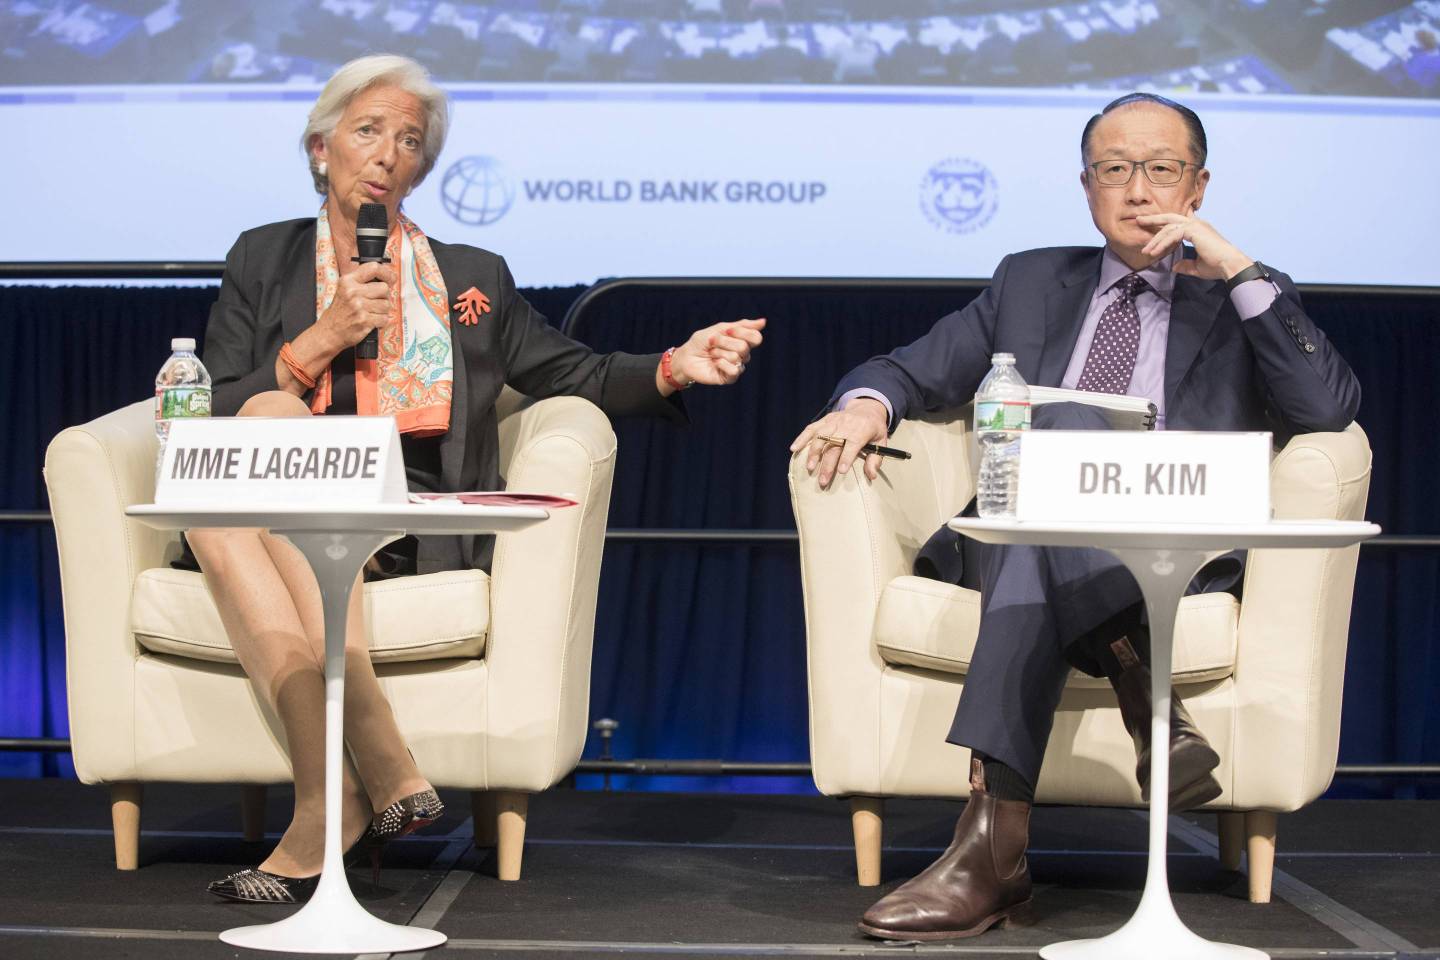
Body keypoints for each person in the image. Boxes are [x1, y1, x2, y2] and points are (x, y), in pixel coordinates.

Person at [195, 54, 765, 904]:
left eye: (411, 141)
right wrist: (324, 336)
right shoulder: (263, 257)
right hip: (280, 493)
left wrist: (676, 365)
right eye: (367, 131)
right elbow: (211, 398)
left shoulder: (471, 277)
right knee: (258, 442)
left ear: (421, 171)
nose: (388, 153)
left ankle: (332, 805)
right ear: (321, 150)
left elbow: (578, 371)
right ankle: (361, 775)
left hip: (403, 517)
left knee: (226, 509)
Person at [790, 92, 1358, 941]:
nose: (1138, 191)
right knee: (1049, 442)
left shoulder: (1246, 295)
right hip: (1025, 525)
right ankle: (1145, 696)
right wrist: (866, 406)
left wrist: (1238, 272)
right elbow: (912, 367)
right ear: (1085, 185)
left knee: (1048, 451)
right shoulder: (1029, 278)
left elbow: (1324, 406)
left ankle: (992, 854)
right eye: (1114, 170)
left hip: (1175, 534)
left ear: (1198, 187)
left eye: (1161, 170)